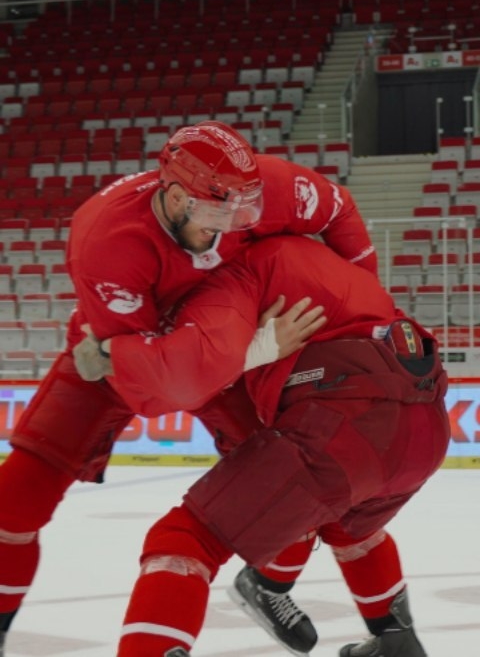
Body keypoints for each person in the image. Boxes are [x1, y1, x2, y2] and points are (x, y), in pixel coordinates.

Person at [0, 120, 377, 656]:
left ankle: (297, 596)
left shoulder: (265, 186)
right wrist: (250, 351)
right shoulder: (106, 240)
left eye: (241, 215)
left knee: (308, 487)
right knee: (14, 505)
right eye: (214, 215)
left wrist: (365, 307)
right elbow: (160, 385)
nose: (227, 230)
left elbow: (338, 209)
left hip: (218, 352)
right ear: (175, 195)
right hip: (119, 359)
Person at [71, 233, 450, 657]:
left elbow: (181, 383)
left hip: (349, 425)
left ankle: (225, 608)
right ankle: (395, 641)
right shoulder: (321, 256)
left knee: (183, 538)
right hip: (426, 423)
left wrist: (113, 356)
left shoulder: (232, 278)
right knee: (346, 523)